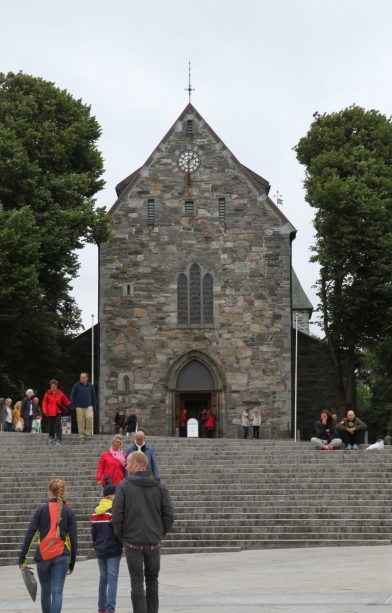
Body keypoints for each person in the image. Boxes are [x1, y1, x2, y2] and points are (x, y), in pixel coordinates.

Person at [112, 451, 174, 613]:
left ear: (135, 465)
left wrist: (122, 537)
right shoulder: (159, 486)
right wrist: (159, 533)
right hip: (153, 542)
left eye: (127, 463)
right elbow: (169, 514)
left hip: (132, 542)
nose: (125, 466)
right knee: (152, 581)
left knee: (137, 583)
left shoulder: (124, 486)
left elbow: (117, 516)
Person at [18, 478, 77, 613]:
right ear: (64, 492)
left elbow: (30, 535)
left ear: (49, 492)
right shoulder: (69, 511)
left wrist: (22, 559)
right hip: (62, 556)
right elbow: (73, 540)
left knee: (45, 592)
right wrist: (72, 563)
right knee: (57, 592)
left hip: (43, 556)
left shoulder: (41, 510)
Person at [91, 484, 122, 613]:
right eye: (116, 494)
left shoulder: (96, 512)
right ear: (110, 495)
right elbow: (118, 531)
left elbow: (93, 534)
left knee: (103, 579)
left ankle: (101, 608)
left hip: (100, 549)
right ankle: (110, 608)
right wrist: (121, 543)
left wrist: (96, 545)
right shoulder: (113, 511)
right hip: (113, 549)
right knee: (112, 578)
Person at [42, 380, 71, 447]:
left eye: (55, 386)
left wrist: (70, 403)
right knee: (51, 425)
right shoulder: (47, 393)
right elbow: (44, 403)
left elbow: (65, 400)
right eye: (52, 386)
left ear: (57, 386)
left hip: (58, 412)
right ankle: (51, 436)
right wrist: (45, 411)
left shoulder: (60, 393)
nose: (53, 388)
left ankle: (59, 438)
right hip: (50, 412)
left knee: (58, 425)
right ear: (50, 386)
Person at [70, 372, 97, 442]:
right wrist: (72, 404)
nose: (81, 378)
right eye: (81, 377)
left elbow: (94, 397)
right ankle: (82, 436)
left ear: (87, 378)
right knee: (80, 421)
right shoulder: (76, 385)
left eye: (83, 377)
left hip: (89, 405)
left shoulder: (91, 386)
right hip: (79, 406)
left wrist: (94, 406)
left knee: (90, 417)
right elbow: (73, 395)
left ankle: (87, 434)